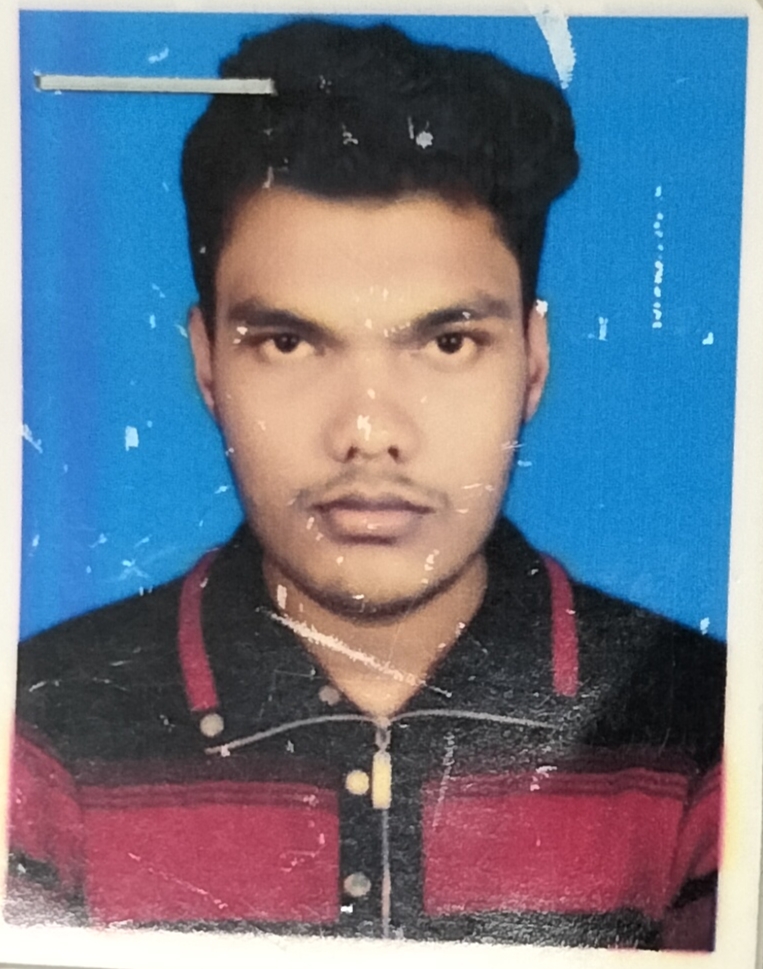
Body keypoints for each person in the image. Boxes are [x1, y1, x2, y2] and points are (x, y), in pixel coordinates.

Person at [7, 18, 724, 949]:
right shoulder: (39, 734)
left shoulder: (708, 731)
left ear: (533, 360)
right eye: (289, 342)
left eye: (447, 342)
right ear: (207, 363)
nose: (369, 432)